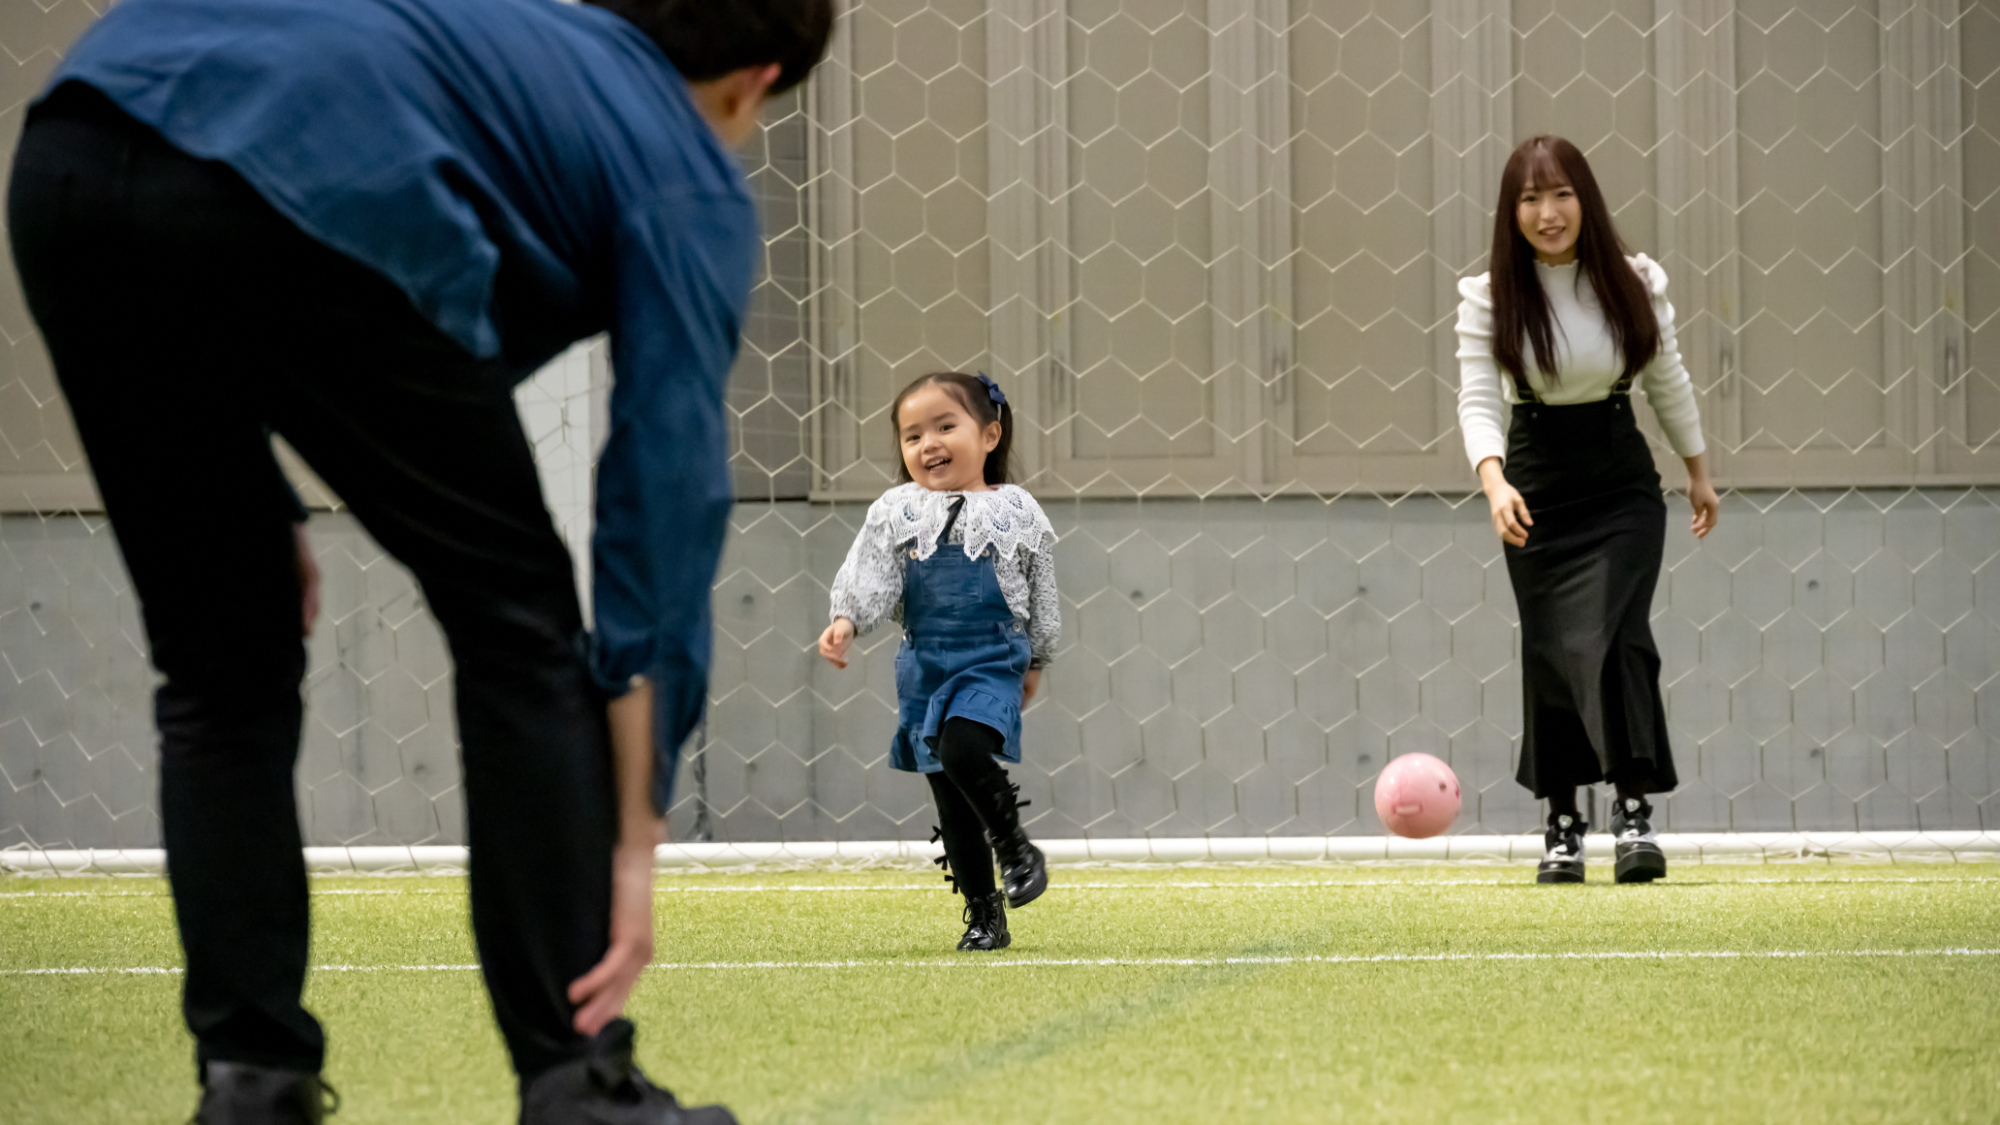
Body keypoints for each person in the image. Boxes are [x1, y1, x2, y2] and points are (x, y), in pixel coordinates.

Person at [6, 0, 832, 1120]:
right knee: (521, 629)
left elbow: (218, 162)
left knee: (222, 661)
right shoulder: (684, 163)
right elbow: (663, 495)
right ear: (757, 82)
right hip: (307, 182)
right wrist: (637, 831)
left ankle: (253, 1081)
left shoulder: (510, 47)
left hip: (75, 147)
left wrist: (262, 495)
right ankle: (573, 1076)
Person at [1454, 136, 1720, 887]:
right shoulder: (1490, 297)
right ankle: (1562, 823)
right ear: (1512, 214)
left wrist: (1697, 471)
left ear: (1586, 200)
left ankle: (1633, 811)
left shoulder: (1634, 281)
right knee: (1550, 648)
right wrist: (1494, 482)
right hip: (1535, 477)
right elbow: (1478, 398)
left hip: (1620, 481)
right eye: (1530, 199)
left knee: (1611, 634)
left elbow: (1666, 376)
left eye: (1561, 194)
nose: (1548, 212)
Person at [818, 373, 1058, 950]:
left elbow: (1042, 590)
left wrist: (1038, 658)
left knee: (961, 746)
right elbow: (871, 574)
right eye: (911, 435)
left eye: (945, 426)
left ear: (991, 434)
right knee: (951, 799)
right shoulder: (897, 511)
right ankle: (984, 915)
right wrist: (847, 619)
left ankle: (1015, 846)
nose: (928, 444)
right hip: (925, 661)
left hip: (991, 655)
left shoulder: (1015, 510)